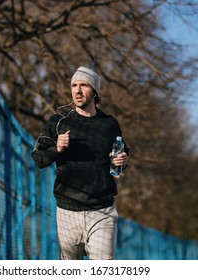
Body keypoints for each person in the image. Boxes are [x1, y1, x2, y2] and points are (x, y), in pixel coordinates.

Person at [31, 66, 129, 260]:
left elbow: (122, 153)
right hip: (67, 211)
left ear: (95, 91)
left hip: (102, 211)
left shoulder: (109, 124)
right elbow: (38, 158)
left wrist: (123, 159)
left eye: (83, 85)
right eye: (74, 85)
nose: (77, 90)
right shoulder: (58, 122)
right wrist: (57, 149)